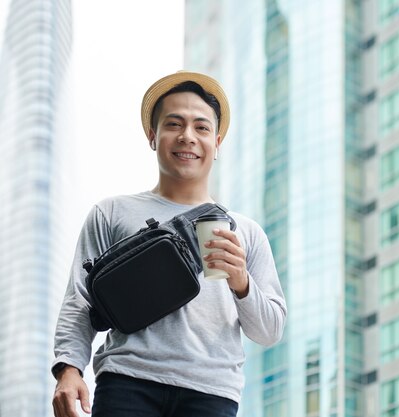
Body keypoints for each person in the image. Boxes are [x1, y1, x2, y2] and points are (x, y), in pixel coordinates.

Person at [51, 71, 287, 417]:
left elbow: (270, 331)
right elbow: (80, 300)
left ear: (217, 143)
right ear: (153, 135)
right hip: (127, 383)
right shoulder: (112, 212)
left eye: (201, 128)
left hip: (211, 394)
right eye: (174, 124)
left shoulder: (246, 232)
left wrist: (241, 283)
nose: (187, 137)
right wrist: (68, 371)